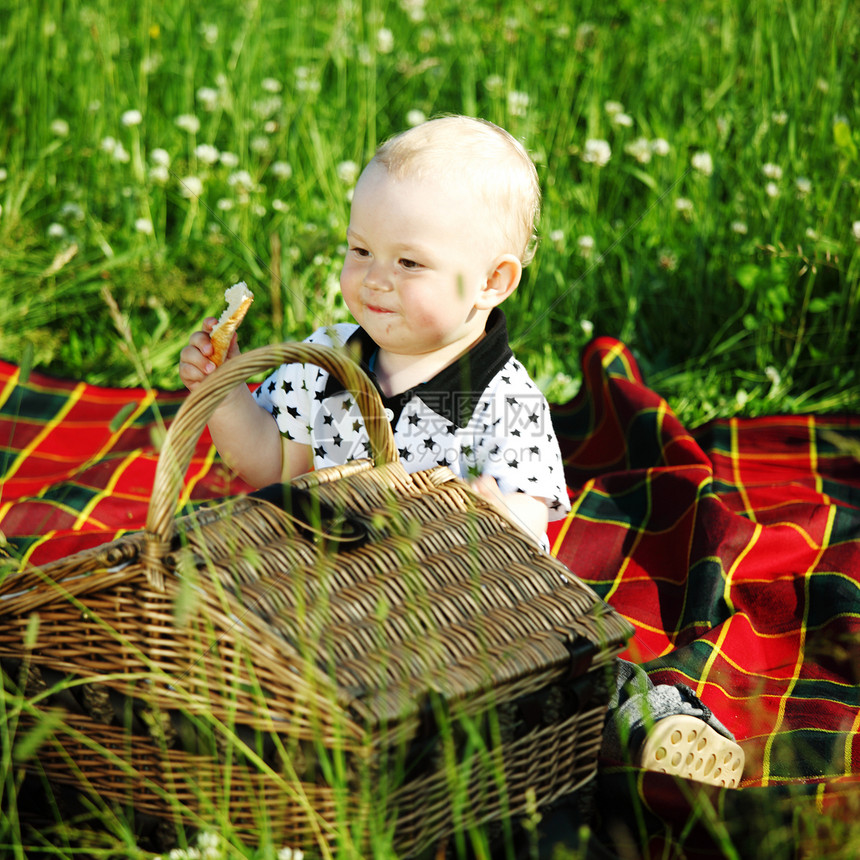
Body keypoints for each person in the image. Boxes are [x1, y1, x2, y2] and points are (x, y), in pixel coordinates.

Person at [179, 114, 744, 786]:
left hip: (455, 612)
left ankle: (649, 716)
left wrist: (488, 511)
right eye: (360, 251)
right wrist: (223, 393)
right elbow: (270, 467)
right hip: (331, 600)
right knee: (221, 606)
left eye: (409, 262)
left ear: (492, 282)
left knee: (554, 661)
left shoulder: (500, 401)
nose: (375, 278)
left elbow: (528, 547)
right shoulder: (326, 357)